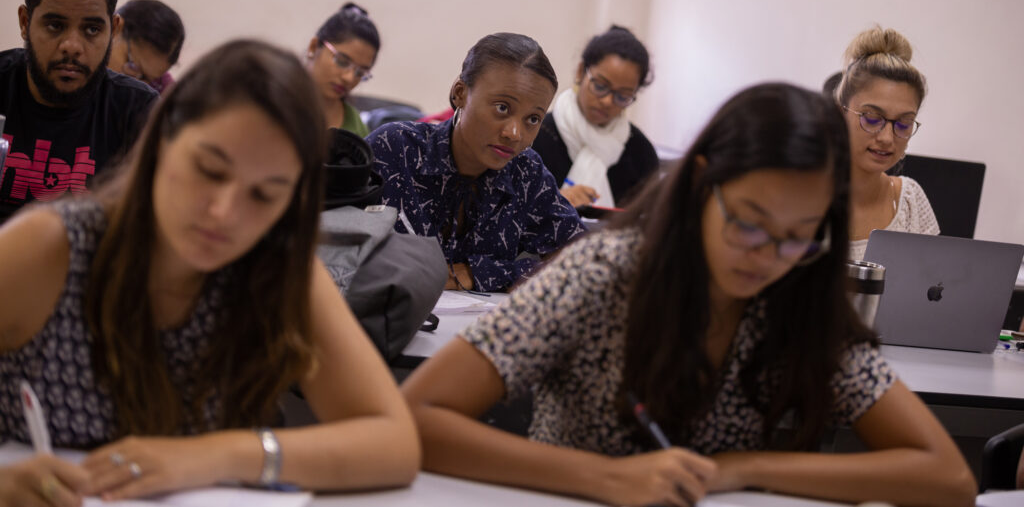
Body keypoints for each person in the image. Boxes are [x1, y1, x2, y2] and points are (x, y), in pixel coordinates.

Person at [402, 82, 976, 507]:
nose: (767, 256)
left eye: (797, 237)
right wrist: (608, 479)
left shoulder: (799, 293)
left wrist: (744, 467)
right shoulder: (606, 274)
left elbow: (946, 476)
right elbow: (418, 417)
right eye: (748, 223)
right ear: (703, 182)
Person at [0, 39, 419, 505]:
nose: (225, 213)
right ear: (161, 143)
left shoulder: (278, 269)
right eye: (209, 170)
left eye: (264, 196)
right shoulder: (49, 248)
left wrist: (219, 455)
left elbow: (394, 444)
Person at [367, 32, 585, 293]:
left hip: (480, 329)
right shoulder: (394, 150)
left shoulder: (526, 173)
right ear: (460, 93)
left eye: (533, 119)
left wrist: (479, 272)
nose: (514, 134)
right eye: (502, 108)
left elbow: (584, 263)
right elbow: (328, 247)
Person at [0, 0, 157, 225]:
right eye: (55, 25)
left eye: (92, 29)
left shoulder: (138, 111)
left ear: (114, 31)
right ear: (25, 22)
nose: (72, 46)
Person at [830, 26, 939, 262]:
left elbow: (932, 289)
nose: (887, 138)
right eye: (872, 118)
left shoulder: (910, 201)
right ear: (840, 114)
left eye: (904, 123)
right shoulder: (802, 196)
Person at [531, 25, 659, 208]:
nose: (607, 101)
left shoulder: (640, 153)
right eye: (600, 86)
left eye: (622, 96)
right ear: (581, 71)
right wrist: (554, 203)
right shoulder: (535, 135)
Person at [305, 2, 379, 136]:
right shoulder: (275, 101)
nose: (349, 78)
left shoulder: (356, 127)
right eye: (342, 61)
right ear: (314, 47)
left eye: (360, 72)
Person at [107, 0, 185, 94]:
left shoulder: (160, 91)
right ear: (115, 27)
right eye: (132, 67)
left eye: (147, 80)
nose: (133, 85)